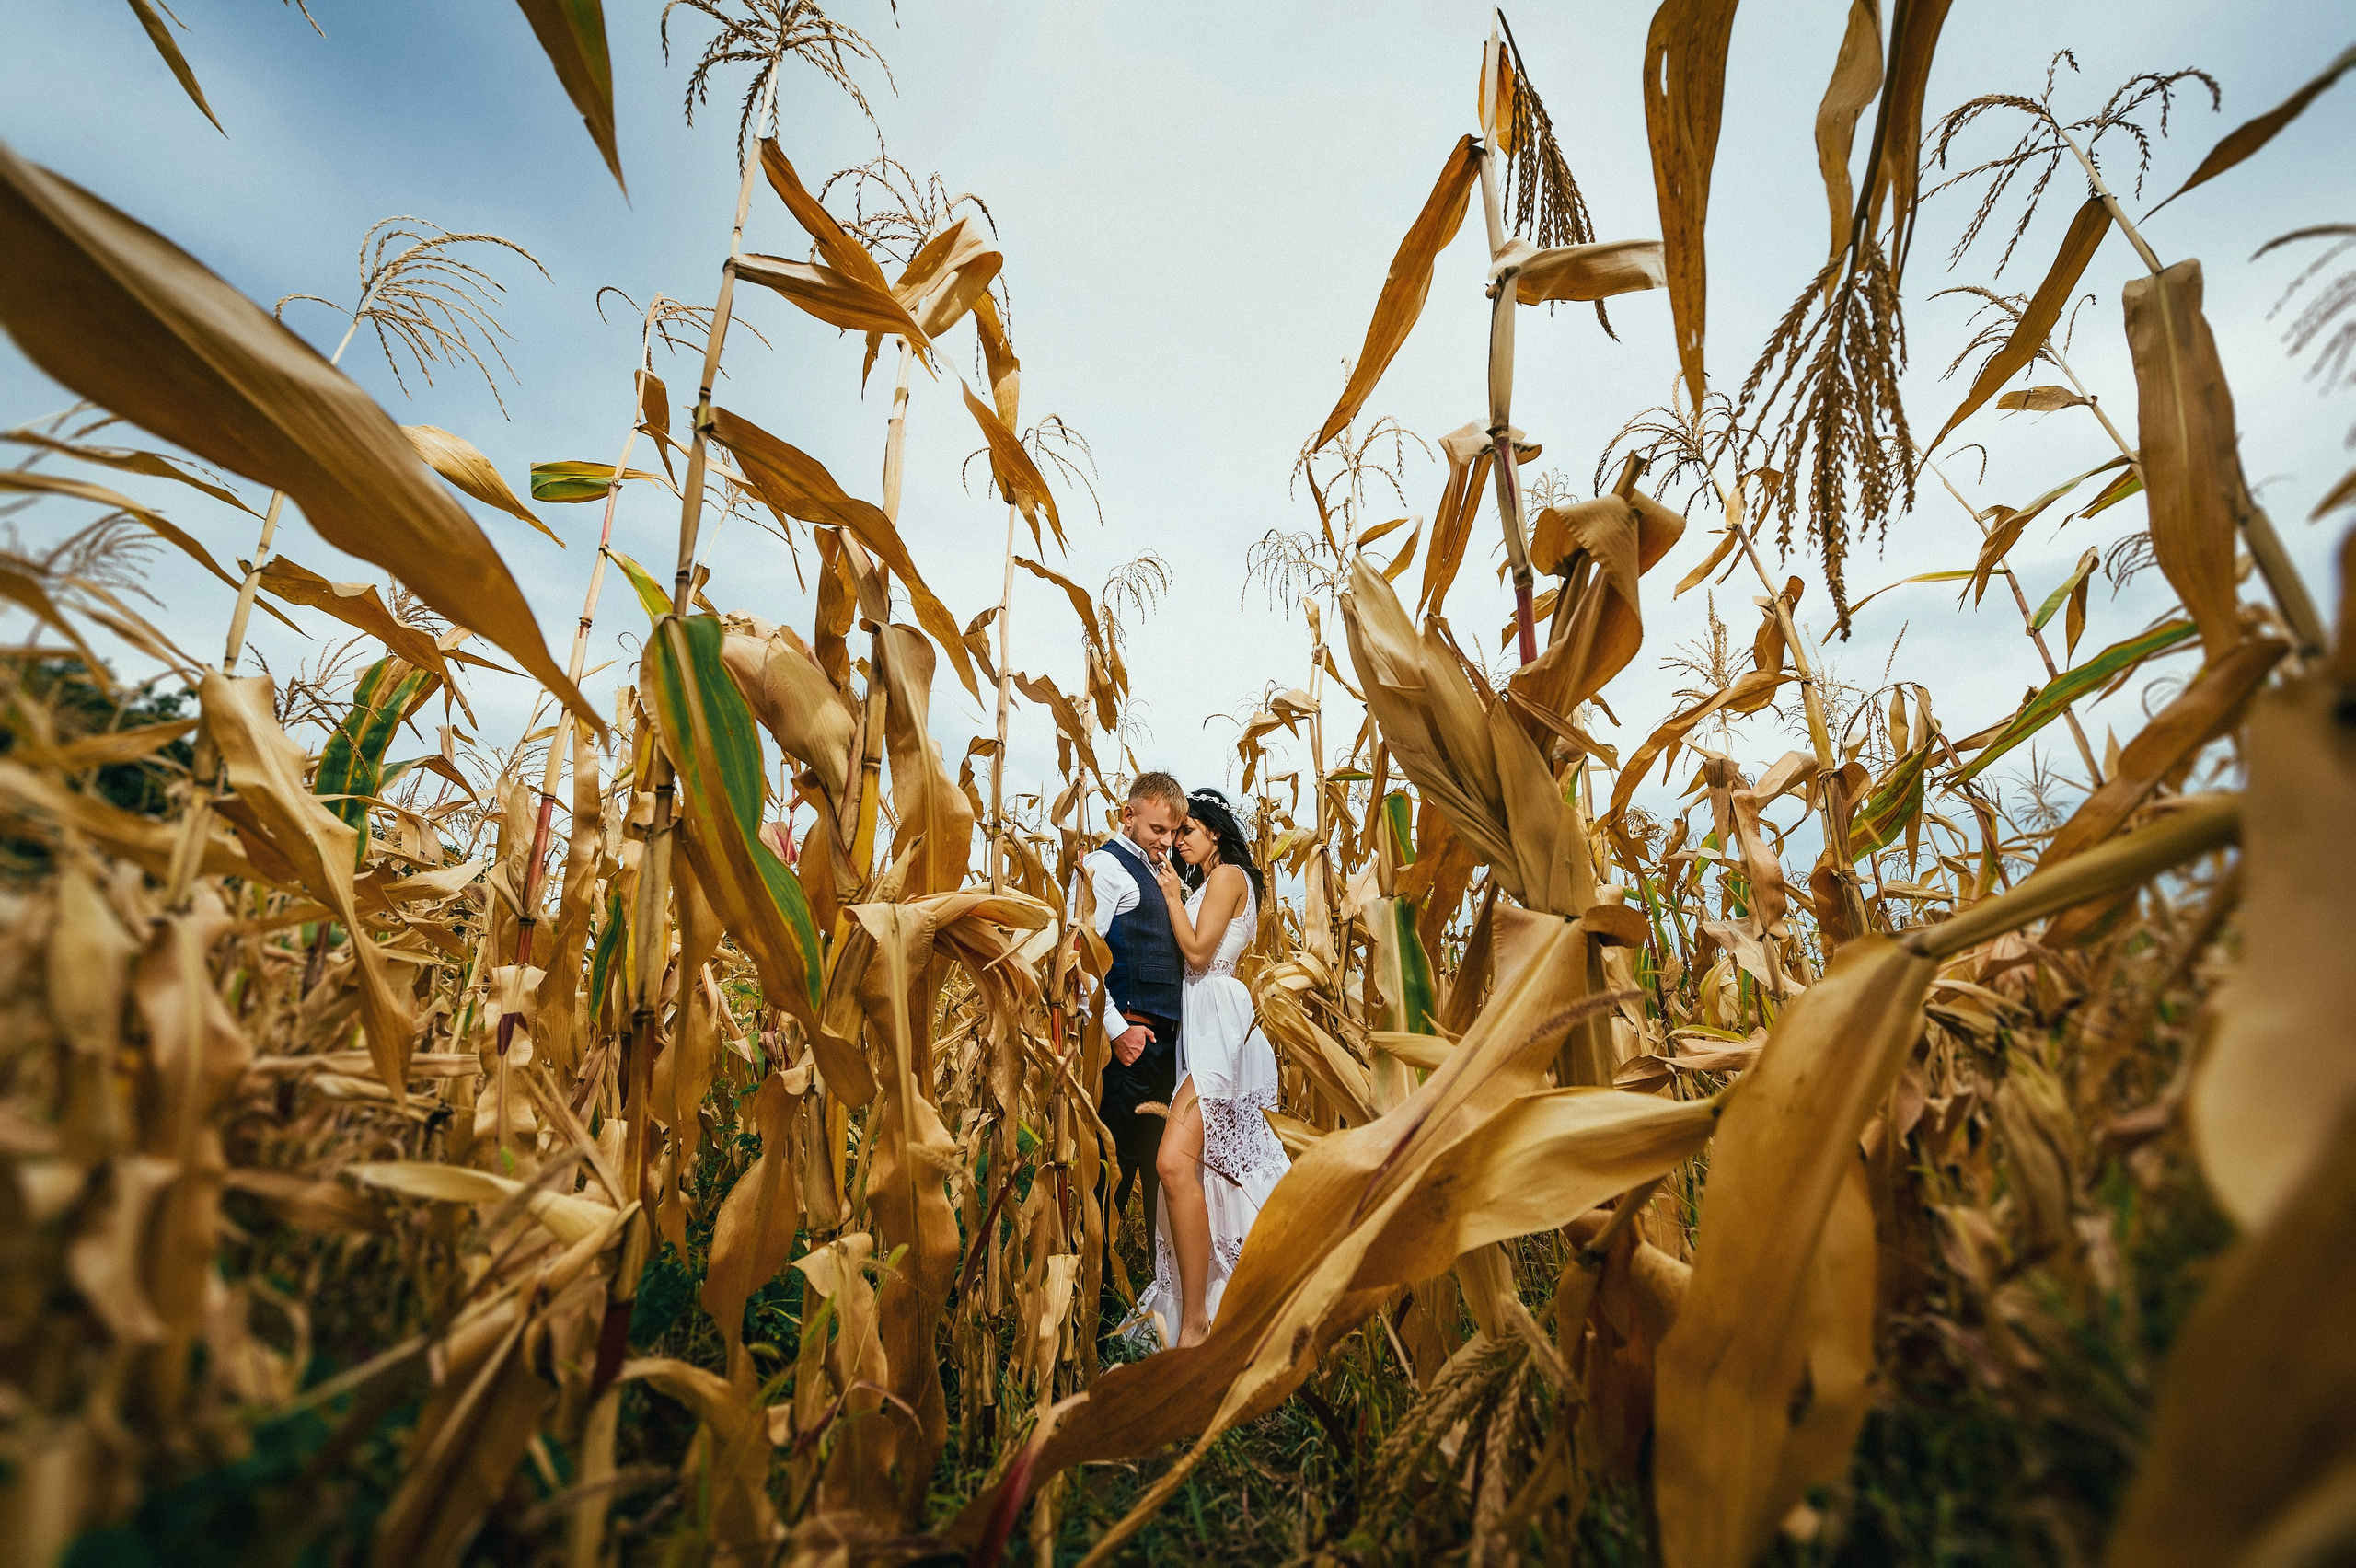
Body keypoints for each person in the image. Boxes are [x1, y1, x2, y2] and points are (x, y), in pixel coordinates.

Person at [1135, 787, 1292, 1349]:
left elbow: (1200, 953)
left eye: (1188, 832)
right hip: (1199, 1027)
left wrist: (1174, 894)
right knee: (1204, 1172)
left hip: (1222, 1028)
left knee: (1173, 1162)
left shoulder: (1226, 878)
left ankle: (1198, 1321)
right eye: (1175, 834)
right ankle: (1216, 1306)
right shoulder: (1208, 882)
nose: (1179, 842)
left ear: (1215, 834)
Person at [1076, 770, 1189, 1271]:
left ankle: (1150, 1284)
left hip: (1165, 1051)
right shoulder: (1106, 866)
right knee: (1113, 1173)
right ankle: (1090, 1295)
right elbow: (1079, 960)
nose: (1167, 842)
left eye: (1173, 832)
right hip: (1131, 1049)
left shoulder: (1163, 875)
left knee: (1159, 1172)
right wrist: (1118, 1034)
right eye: (1158, 830)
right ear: (1129, 815)